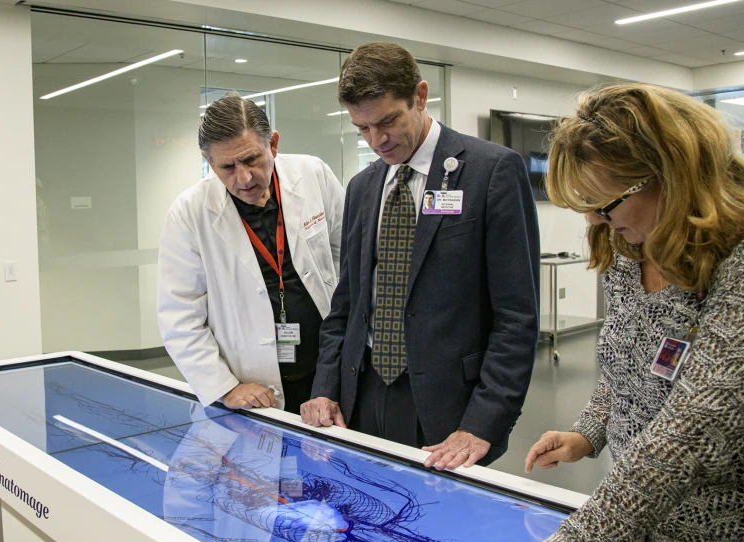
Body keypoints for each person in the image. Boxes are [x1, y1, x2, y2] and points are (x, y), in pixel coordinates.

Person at [504, 83, 744, 542]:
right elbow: (629, 366)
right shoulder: (635, 245)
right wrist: (589, 432)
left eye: (602, 205)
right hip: (638, 529)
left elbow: (696, 428)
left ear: (669, 175)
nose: (596, 223)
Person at [301, 42, 540, 470]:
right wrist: (325, 387)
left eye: (388, 121)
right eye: (362, 129)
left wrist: (483, 423)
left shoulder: (491, 172)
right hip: (363, 391)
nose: (377, 140)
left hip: (449, 406)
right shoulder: (362, 187)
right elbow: (347, 304)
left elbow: (517, 318)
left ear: (421, 96)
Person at [158, 93, 344, 412]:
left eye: (251, 160)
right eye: (227, 166)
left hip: (330, 371)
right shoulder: (189, 213)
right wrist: (225, 387)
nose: (243, 178)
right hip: (251, 387)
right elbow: (179, 314)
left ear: (272, 144)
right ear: (208, 161)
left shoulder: (313, 174)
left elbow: (349, 259)